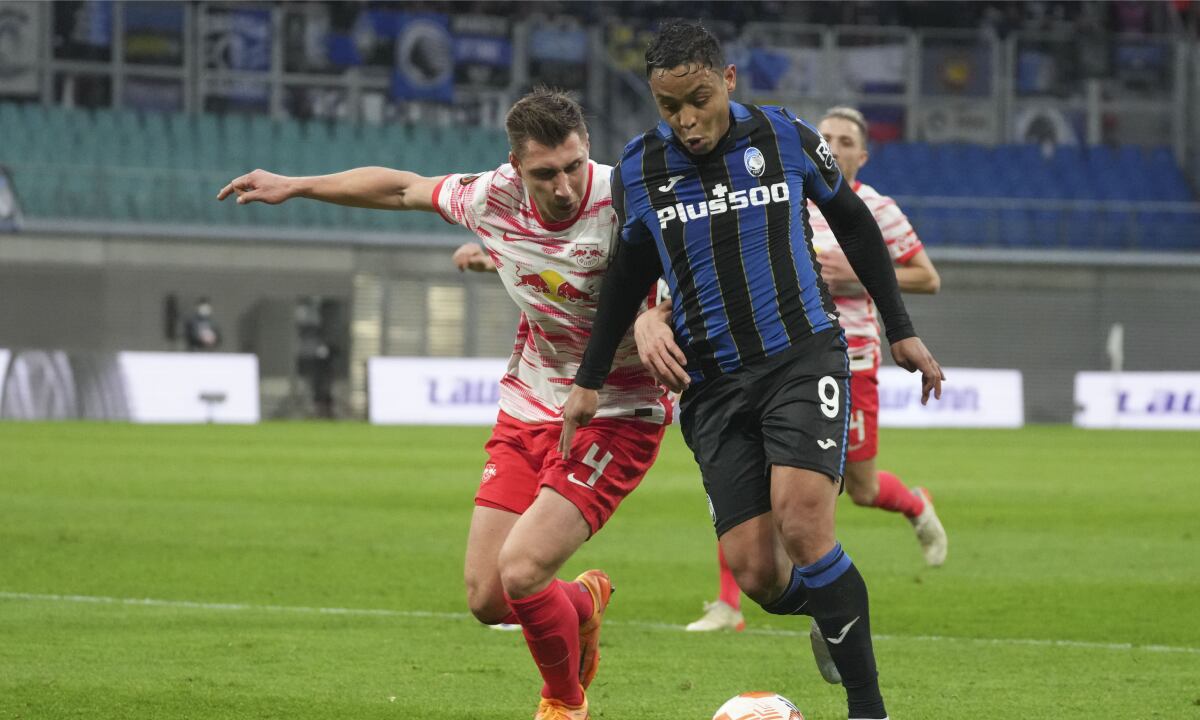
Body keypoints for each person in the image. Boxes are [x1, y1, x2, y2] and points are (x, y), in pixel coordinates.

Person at [217, 89, 673, 720]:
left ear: (586, 150)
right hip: (530, 400)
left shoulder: (629, 196)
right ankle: (582, 605)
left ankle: (564, 704)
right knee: (489, 596)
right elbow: (401, 188)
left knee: (521, 571)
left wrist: (661, 315)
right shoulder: (490, 197)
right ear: (516, 167)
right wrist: (297, 185)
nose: (565, 186)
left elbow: (696, 266)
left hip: (618, 413)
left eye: (573, 166)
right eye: (545, 173)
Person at [560, 23, 944, 720]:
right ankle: (832, 610)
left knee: (804, 524)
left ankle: (868, 708)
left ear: (727, 80)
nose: (685, 120)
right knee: (758, 574)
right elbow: (628, 274)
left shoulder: (785, 137)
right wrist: (588, 379)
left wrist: (902, 330)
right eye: (669, 106)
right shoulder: (643, 168)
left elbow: (854, 223)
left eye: (698, 99)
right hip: (709, 384)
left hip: (801, 356)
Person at [655, 106, 948, 640]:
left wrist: (858, 277)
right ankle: (729, 602)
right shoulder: (780, 189)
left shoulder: (876, 209)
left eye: (846, 140)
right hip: (775, 362)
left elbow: (926, 277)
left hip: (851, 360)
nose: (833, 145)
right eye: (827, 136)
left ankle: (912, 506)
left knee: (858, 488)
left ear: (863, 154)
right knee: (754, 492)